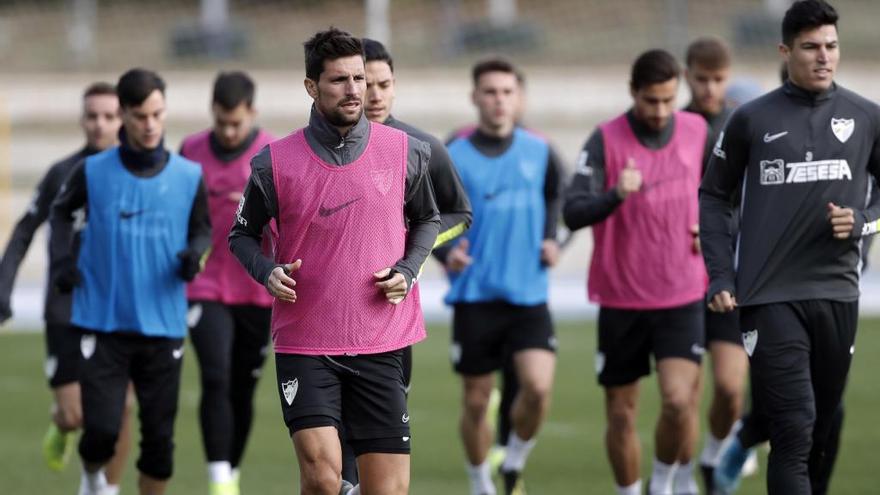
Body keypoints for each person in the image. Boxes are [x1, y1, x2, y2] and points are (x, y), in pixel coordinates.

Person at [228, 28, 439, 495]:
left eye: (359, 78)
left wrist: (407, 270)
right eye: (339, 80)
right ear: (311, 87)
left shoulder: (406, 152)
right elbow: (241, 235)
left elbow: (428, 219)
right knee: (324, 480)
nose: (354, 90)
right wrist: (267, 271)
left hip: (382, 340)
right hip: (306, 344)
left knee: (387, 490)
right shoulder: (273, 163)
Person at [700, 1, 880, 493]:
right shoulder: (751, 120)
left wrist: (864, 222)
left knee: (823, 425)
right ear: (785, 51)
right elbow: (713, 196)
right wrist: (720, 275)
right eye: (810, 47)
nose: (823, 57)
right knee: (794, 428)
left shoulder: (867, 117)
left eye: (831, 46)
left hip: (838, 293)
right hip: (768, 296)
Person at [50, 68, 212, 495]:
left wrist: (193, 257)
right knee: (101, 431)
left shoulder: (188, 176)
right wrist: (63, 261)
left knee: (160, 447)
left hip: (164, 326)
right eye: (140, 115)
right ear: (123, 114)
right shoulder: (93, 171)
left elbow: (202, 230)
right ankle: (91, 478)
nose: (151, 124)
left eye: (158, 113)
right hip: (104, 323)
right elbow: (61, 213)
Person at [325, 37, 472, 486]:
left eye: (383, 84)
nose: (373, 95)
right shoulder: (318, 146)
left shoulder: (421, 147)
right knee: (327, 425)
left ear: (394, 86)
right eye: (363, 84)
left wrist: (413, 254)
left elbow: (458, 213)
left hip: (387, 307)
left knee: (378, 420)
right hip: (327, 308)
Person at [564, 49, 711, 495]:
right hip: (622, 298)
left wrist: (712, 226)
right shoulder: (604, 139)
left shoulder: (697, 130)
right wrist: (615, 195)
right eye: (651, 101)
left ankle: (662, 485)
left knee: (679, 401)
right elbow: (572, 211)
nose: (661, 111)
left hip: (682, 293)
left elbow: (723, 195)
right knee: (622, 413)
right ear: (633, 93)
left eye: (669, 100)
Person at [0, 82, 133, 492]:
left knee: (123, 405)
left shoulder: (139, 172)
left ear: (122, 119)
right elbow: (24, 231)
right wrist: (3, 289)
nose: (100, 124)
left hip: (119, 308)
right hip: (66, 307)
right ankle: (61, 426)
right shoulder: (62, 173)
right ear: (82, 120)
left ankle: (103, 487)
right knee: (76, 415)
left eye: (109, 116)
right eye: (92, 116)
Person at [444, 57, 563, 495]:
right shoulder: (452, 154)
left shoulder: (540, 150)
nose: (499, 100)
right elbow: (427, 217)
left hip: (529, 295)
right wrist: (443, 254)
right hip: (475, 296)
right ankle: (480, 483)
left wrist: (554, 240)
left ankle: (513, 462)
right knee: (476, 401)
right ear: (475, 97)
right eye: (490, 92)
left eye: (507, 92)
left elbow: (559, 201)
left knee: (536, 388)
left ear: (520, 97)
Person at [179, 71, 276, 495]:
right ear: (212, 113)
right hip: (205, 286)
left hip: (257, 288)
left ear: (252, 113)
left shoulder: (273, 153)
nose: (229, 131)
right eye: (221, 122)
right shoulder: (190, 150)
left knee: (242, 386)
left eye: (237, 122)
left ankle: (231, 469)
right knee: (216, 375)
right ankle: (220, 479)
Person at [682, 37, 752, 492]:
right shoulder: (673, 123)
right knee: (683, 393)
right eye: (702, 78)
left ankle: (712, 458)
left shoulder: (743, 125)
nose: (710, 87)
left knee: (729, 389)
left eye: (719, 79)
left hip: (729, 274)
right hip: (682, 279)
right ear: (688, 74)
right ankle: (681, 475)